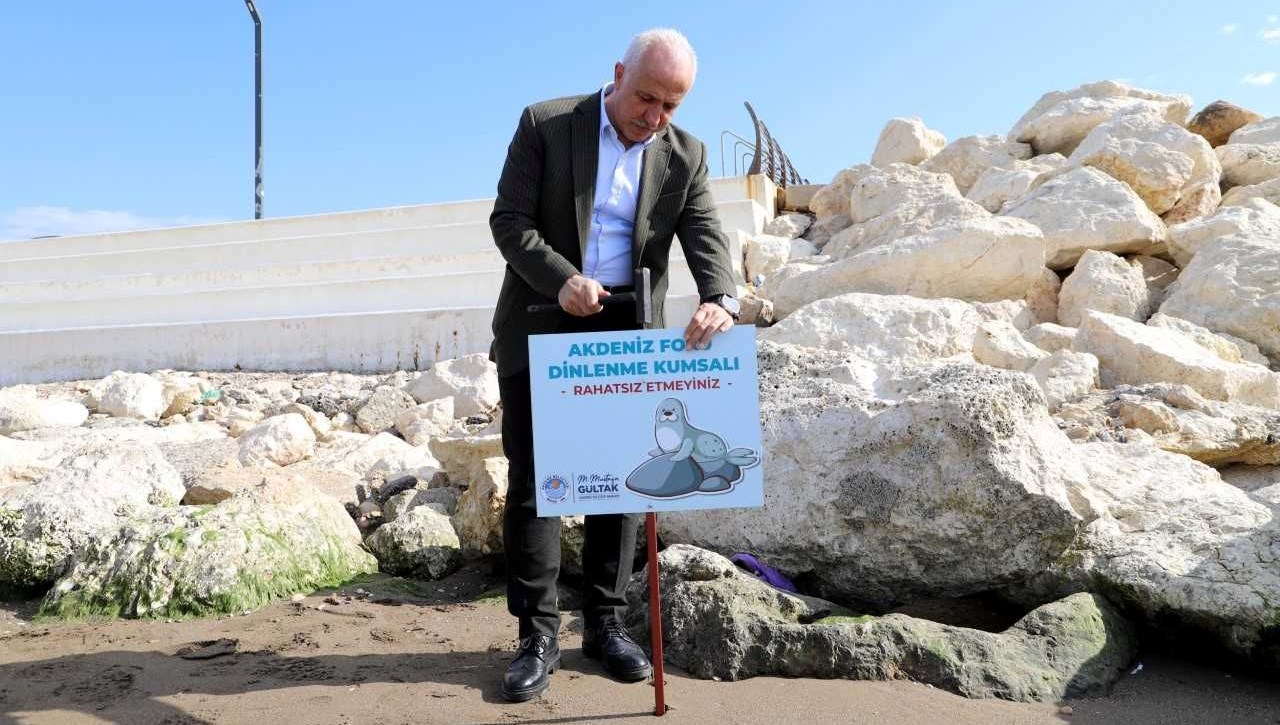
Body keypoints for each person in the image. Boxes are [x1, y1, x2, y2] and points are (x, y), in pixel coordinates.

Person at [488, 27, 742, 703]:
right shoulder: (546, 124)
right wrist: (562, 278)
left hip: (627, 333)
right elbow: (509, 221)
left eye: (670, 106)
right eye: (646, 98)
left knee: (626, 485)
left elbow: (706, 235)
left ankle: (605, 624)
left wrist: (721, 297)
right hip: (542, 321)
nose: (654, 117)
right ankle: (536, 635)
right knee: (537, 485)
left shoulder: (684, 154)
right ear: (619, 73)